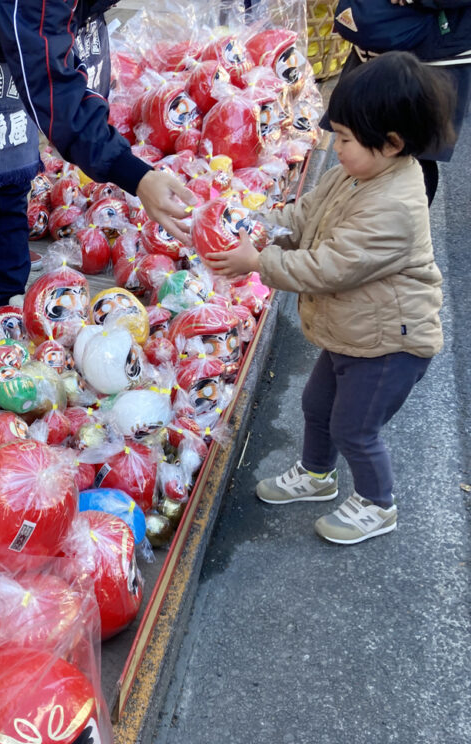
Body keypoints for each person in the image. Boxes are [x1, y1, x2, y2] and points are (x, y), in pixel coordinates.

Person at [204, 51, 455, 545]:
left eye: (343, 138)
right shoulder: (355, 172)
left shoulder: (395, 206)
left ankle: (378, 504)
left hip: (390, 344)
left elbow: (327, 267)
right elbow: (306, 216)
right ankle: (317, 474)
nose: (333, 146)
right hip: (354, 329)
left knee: (354, 429)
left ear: (392, 143)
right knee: (316, 405)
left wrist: (259, 262)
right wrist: (261, 226)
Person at [0, 0, 194, 311]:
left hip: (10, 30)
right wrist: (137, 176)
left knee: (12, 174)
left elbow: (58, 56)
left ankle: (6, 302)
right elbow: (57, 94)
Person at [330, 0, 471, 205]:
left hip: (431, 52)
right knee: (358, 139)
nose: (335, 147)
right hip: (374, 34)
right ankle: (356, 211)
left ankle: (399, 219)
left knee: (412, 154)